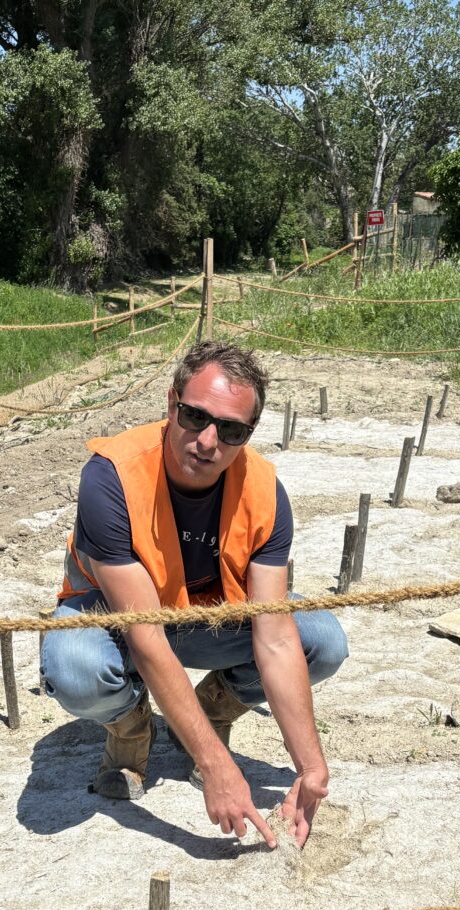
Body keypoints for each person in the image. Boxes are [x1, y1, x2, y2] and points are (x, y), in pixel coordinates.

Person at [39, 341, 348, 848]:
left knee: (322, 639)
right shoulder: (111, 476)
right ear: (171, 404)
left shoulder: (266, 492)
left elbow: (273, 638)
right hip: (118, 625)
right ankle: (130, 724)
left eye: (230, 430)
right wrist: (216, 765)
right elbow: (146, 638)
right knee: (74, 666)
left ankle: (211, 710)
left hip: (203, 621)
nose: (208, 441)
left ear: (247, 435)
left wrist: (311, 767)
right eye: (194, 416)